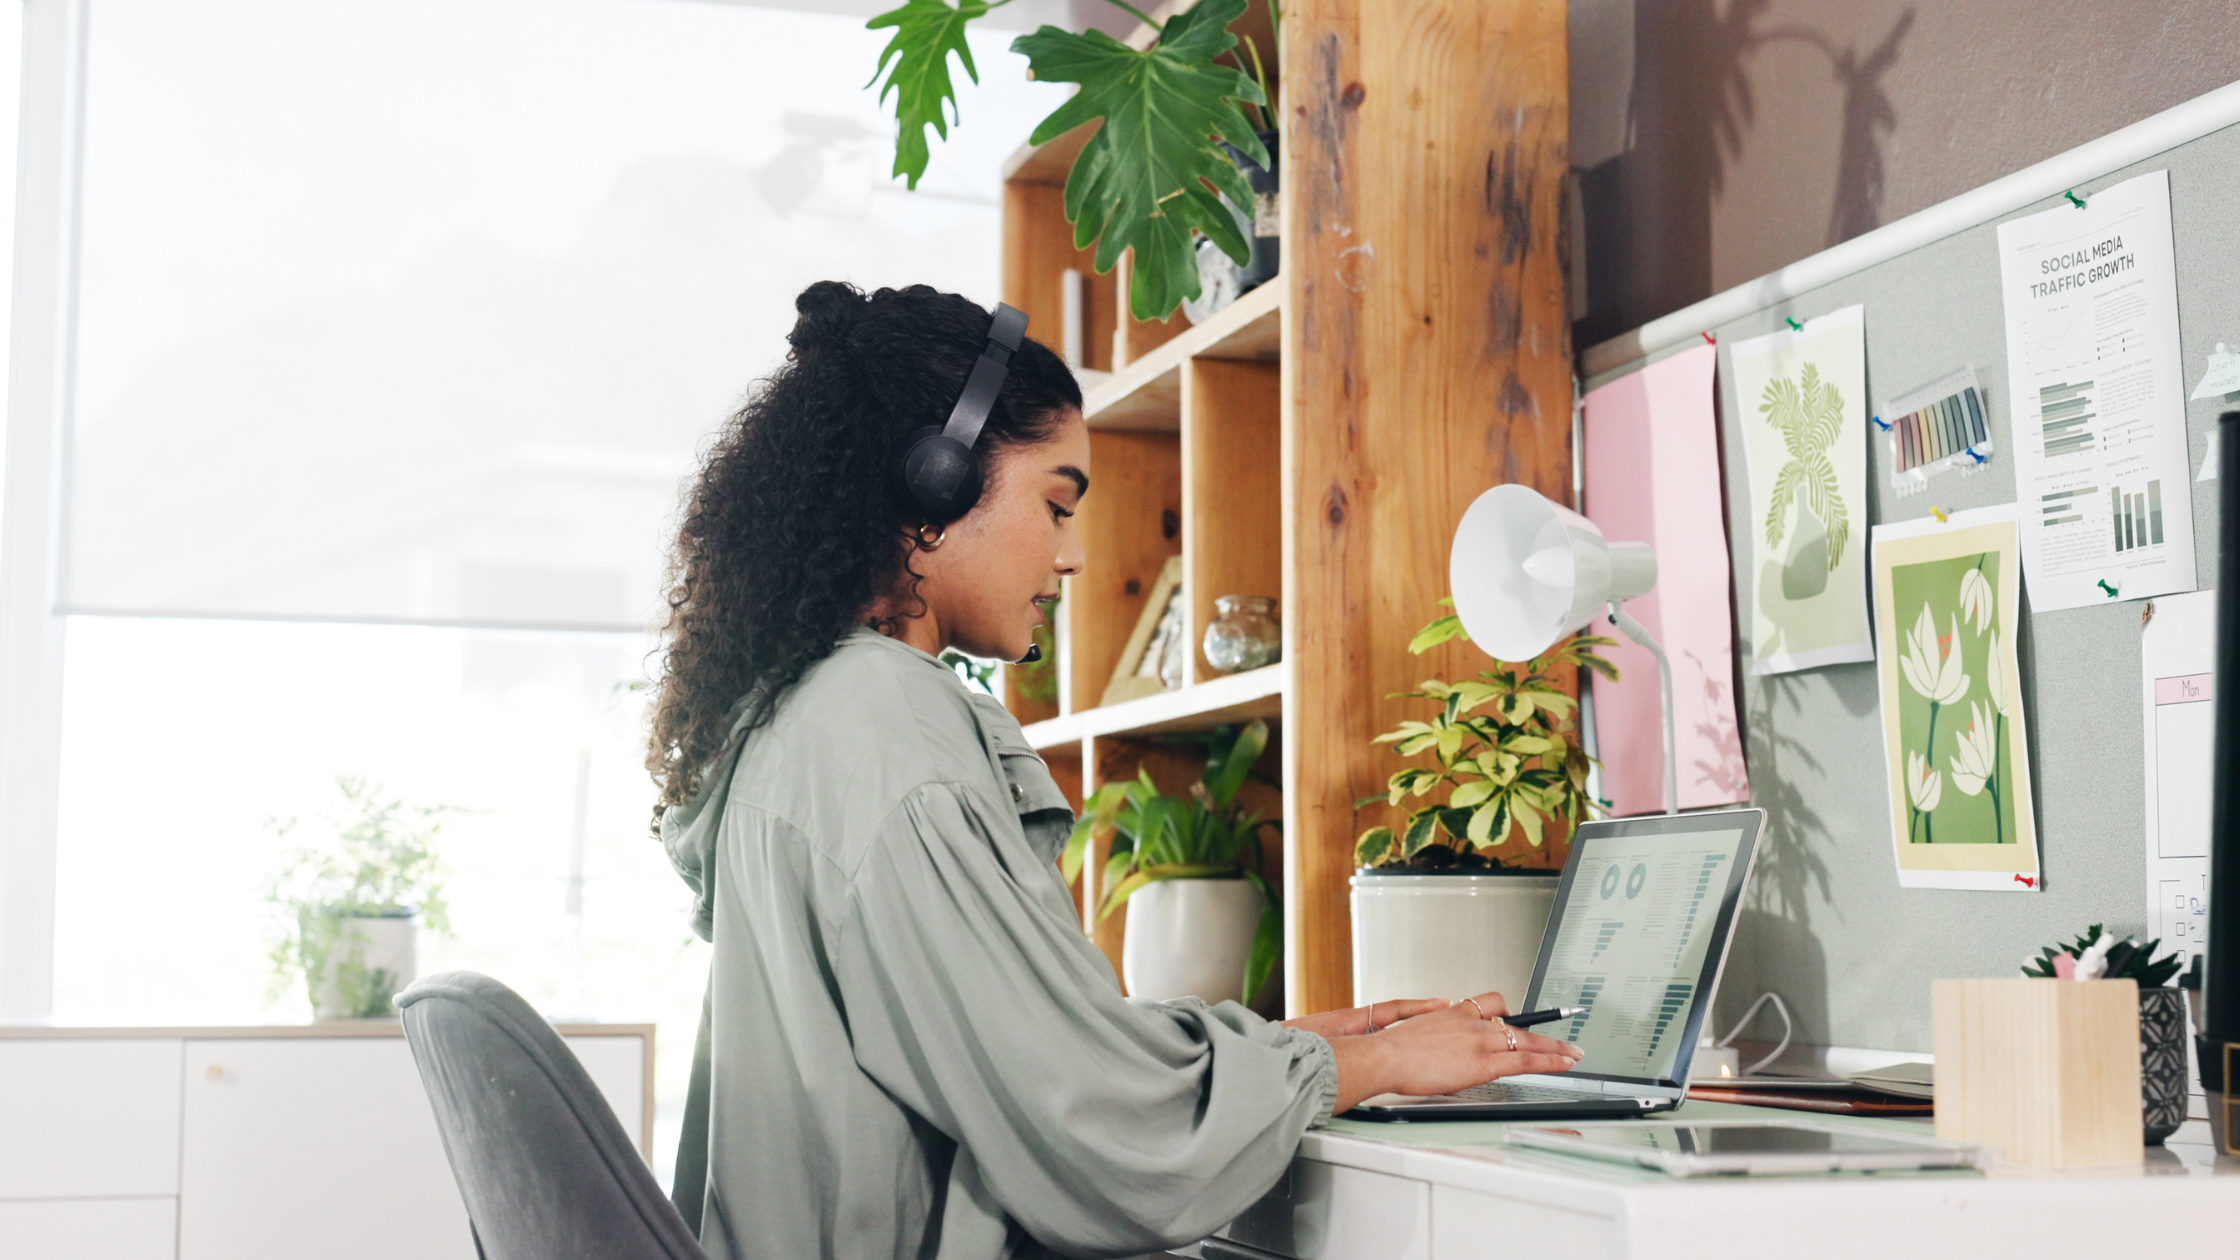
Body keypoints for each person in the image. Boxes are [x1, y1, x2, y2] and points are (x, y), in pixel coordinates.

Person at [650, 281, 1583, 1260]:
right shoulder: (886, 732)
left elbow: (1024, 1053)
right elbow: (1105, 1146)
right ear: (934, 479)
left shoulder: (806, 715)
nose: (1074, 558)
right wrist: (1364, 1064)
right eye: (1055, 506)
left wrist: (1306, 1046)